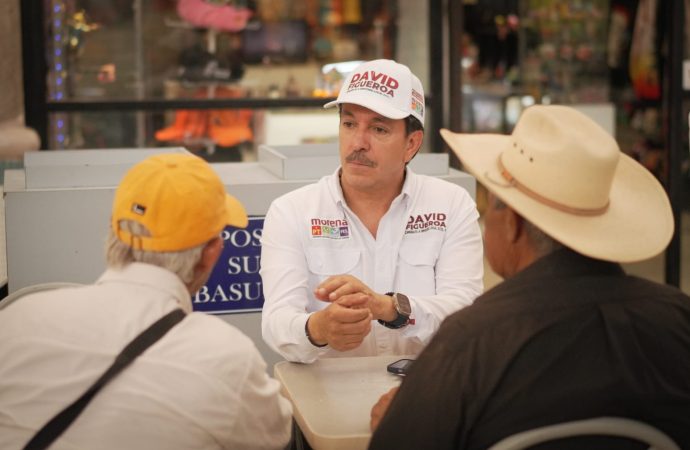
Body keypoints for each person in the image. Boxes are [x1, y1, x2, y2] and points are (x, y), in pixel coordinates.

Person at [368, 105, 690, 449]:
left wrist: (392, 421)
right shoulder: (679, 321)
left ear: (513, 224)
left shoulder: (471, 341)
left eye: (490, 203)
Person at [0, 154, 292, 450]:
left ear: (114, 233)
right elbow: (274, 437)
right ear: (211, 253)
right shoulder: (228, 356)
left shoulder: (16, 319)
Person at [260, 59, 484, 363]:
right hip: (325, 401)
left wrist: (391, 309)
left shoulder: (451, 205)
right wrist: (318, 329)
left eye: (379, 129)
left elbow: (466, 314)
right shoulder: (291, 211)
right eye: (349, 124)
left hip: (424, 393)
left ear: (411, 144)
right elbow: (275, 324)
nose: (358, 143)